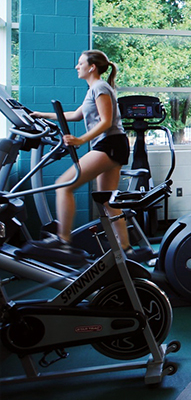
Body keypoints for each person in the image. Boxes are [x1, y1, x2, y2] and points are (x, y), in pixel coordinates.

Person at [28, 50, 142, 260]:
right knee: (108, 201)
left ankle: (63, 241)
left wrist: (81, 140)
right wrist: (41, 115)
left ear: (92, 67)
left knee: (64, 185)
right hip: (114, 144)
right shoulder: (94, 89)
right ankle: (126, 249)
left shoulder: (100, 87)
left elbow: (106, 121)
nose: (76, 67)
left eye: (80, 63)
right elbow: (75, 114)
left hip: (110, 144)